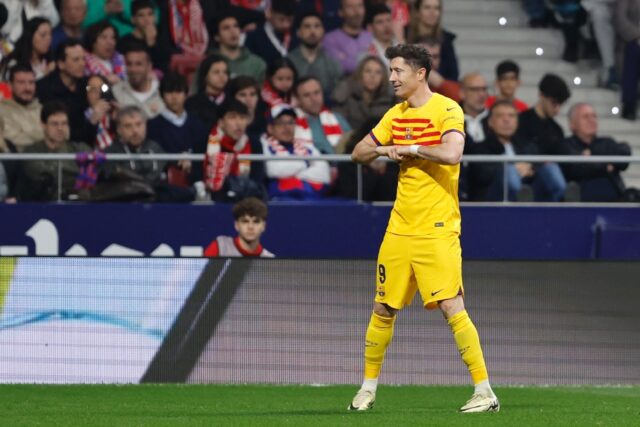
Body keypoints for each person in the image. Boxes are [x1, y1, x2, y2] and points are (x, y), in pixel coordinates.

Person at [349, 44, 499, 413]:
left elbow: (452, 154)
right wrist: (386, 150)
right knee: (383, 307)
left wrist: (412, 147)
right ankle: (367, 389)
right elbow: (357, 152)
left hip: (437, 228)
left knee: (452, 305)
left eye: (398, 70)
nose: (392, 77)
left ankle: (485, 391)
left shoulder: (448, 109)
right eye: (390, 70)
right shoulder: (394, 114)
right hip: (399, 228)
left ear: (420, 73)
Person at [467, 100, 546, 202]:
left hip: (531, 194)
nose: (506, 120)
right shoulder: (479, 148)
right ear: (490, 122)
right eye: (500, 116)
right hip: (493, 201)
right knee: (509, 170)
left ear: (517, 121)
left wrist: (531, 169)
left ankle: (565, 202)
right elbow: (482, 174)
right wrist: (514, 169)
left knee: (550, 169)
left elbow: (539, 166)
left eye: (511, 116)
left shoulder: (528, 146)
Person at [16, 101, 91, 201]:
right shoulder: (32, 152)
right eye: (54, 124)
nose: (60, 128)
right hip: (45, 207)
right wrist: (78, 176)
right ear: (43, 125)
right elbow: (44, 176)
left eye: (64, 123)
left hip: (82, 206)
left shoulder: (79, 148)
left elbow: (96, 171)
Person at [147, 72, 209, 184]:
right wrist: (176, 161)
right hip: (164, 184)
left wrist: (191, 162)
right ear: (161, 95)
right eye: (169, 92)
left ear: (186, 94)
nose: (174, 97)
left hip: (197, 182)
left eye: (179, 92)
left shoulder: (198, 125)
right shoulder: (152, 126)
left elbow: (204, 155)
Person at [562, 102, 631, 202]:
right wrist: (606, 165)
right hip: (583, 200)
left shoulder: (606, 142)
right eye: (585, 117)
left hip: (615, 200)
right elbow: (575, 168)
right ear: (572, 124)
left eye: (594, 116)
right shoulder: (567, 145)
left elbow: (625, 154)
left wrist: (590, 159)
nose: (592, 120)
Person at [261, 104, 331, 200]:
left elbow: (324, 174)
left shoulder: (307, 145)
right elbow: (274, 170)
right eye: (281, 123)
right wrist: (305, 163)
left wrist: (295, 176)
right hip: (281, 198)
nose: (287, 128)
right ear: (270, 128)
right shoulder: (264, 145)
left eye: (290, 123)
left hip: (312, 196)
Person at [36, 39, 89, 144]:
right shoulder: (43, 88)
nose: (82, 64)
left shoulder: (88, 85)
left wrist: (105, 88)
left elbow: (103, 88)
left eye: (83, 59)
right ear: (61, 64)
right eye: (76, 60)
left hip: (85, 143)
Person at [287, 11, 343, 98]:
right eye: (307, 26)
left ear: (323, 31)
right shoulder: (289, 62)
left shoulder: (333, 63)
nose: (312, 31)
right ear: (298, 32)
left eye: (317, 26)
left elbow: (337, 95)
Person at [332, 55, 395, 131]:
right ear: (360, 74)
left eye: (378, 72)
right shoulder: (346, 95)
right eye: (368, 71)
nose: (372, 76)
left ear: (383, 77)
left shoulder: (390, 99)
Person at [294, 76, 351, 154]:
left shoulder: (337, 118)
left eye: (316, 92)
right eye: (306, 95)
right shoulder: (291, 122)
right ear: (297, 99)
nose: (313, 99)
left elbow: (352, 145)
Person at [203, 197, 275, 258]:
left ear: (263, 226)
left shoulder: (270, 259)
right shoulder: (220, 247)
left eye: (256, 221)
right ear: (236, 225)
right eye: (245, 221)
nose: (250, 227)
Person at [407, 0, 458, 81]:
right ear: (417, 11)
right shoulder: (404, 35)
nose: (432, 12)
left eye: (436, 8)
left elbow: (453, 76)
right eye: (427, 7)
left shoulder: (446, 40)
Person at [112, 40, 165, 119]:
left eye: (138, 64)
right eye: (129, 64)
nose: (133, 69)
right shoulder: (115, 92)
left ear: (149, 66)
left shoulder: (162, 92)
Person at [212, 10, 267, 83]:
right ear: (217, 36)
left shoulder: (257, 64)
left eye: (236, 26)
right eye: (226, 28)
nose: (233, 31)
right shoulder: (208, 64)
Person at [0, 64, 44, 152]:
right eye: (21, 82)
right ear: (10, 86)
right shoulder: (1, 110)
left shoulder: (44, 111)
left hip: (45, 162)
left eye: (31, 83)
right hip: (12, 162)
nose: (27, 88)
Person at [117, 0, 167, 73]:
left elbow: (162, 68)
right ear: (133, 20)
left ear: (155, 18)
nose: (147, 19)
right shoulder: (123, 43)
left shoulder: (162, 40)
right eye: (141, 15)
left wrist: (152, 43)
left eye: (150, 14)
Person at [324, 0, 373, 75]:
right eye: (350, 7)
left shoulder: (371, 36)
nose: (357, 12)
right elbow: (339, 67)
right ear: (341, 12)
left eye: (360, 6)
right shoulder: (330, 39)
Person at [244, 0, 297, 66]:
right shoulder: (254, 37)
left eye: (290, 20)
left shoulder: (297, 36)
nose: (285, 25)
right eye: (281, 19)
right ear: (269, 13)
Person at [185, 53, 229, 128]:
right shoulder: (191, 104)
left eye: (225, 72)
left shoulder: (232, 101)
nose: (222, 76)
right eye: (216, 72)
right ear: (205, 76)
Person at [616, 0, 640, 120]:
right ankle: (629, 104)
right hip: (633, 39)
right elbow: (620, 19)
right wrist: (637, 35)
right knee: (634, 50)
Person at [417, 36, 460, 102]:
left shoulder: (446, 85)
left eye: (435, 57)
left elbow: (462, 98)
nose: (431, 61)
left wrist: (440, 83)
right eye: (425, 56)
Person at [365, 3, 398, 69]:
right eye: (380, 22)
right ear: (370, 28)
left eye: (388, 20)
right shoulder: (368, 50)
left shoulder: (401, 44)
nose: (386, 25)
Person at [460, 72, 489, 144]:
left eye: (484, 89)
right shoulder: (450, 118)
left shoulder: (494, 118)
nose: (481, 94)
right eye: (475, 89)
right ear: (462, 93)